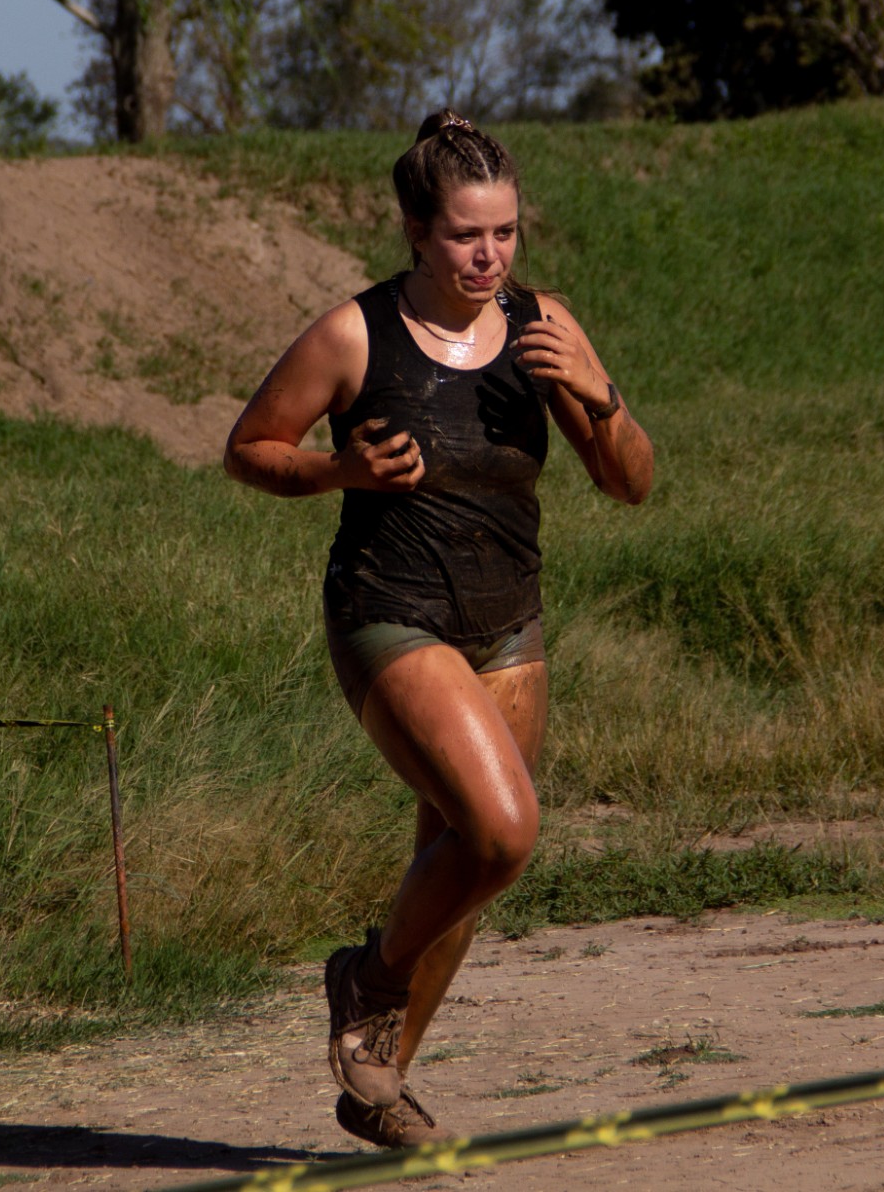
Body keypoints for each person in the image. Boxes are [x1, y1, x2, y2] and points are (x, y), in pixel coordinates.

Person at [223, 110, 654, 1149]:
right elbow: (249, 447)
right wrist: (342, 470)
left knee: (458, 868)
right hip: (390, 611)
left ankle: (378, 1086)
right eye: (468, 235)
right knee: (503, 833)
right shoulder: (354, 334)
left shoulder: (547, 323)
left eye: (505, 233)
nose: (489, 256)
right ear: (418, 229)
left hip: (510, 623)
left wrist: (597, 395)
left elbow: (631, 482)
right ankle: (363, 981)